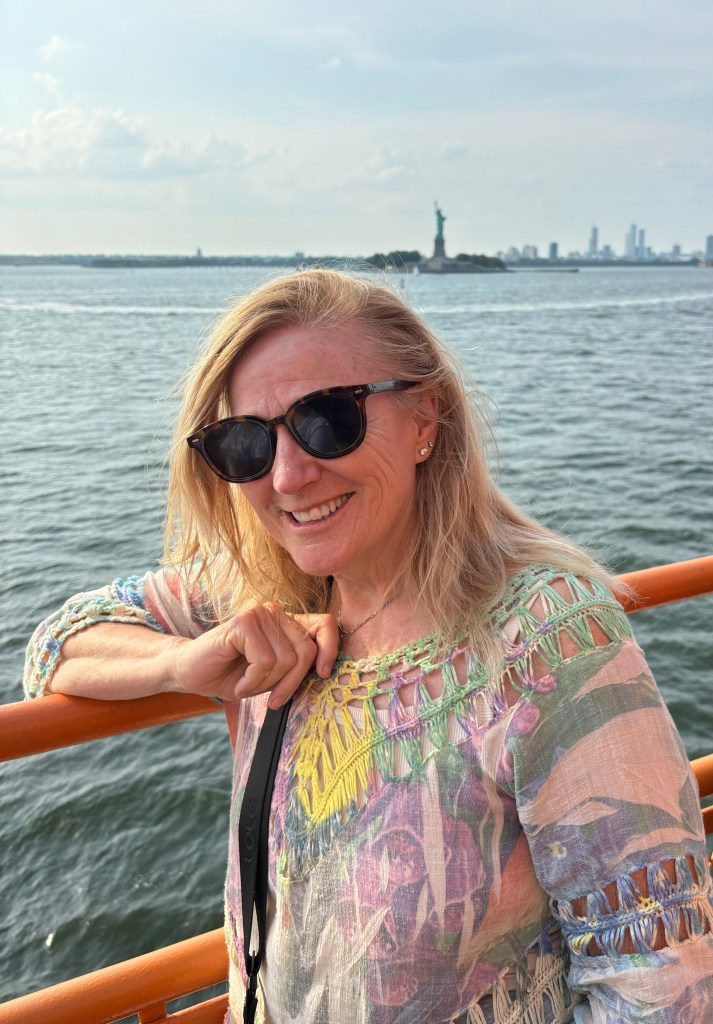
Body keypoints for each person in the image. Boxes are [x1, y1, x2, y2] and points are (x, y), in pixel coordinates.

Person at [24, 269, 713, 1023]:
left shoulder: (544, 638)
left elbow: (662, 987)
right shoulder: (260, 592)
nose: (287, 475)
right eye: (246, 442)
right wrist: (180, 663)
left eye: (327, 419)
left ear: (425, 417)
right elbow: (59, 640)